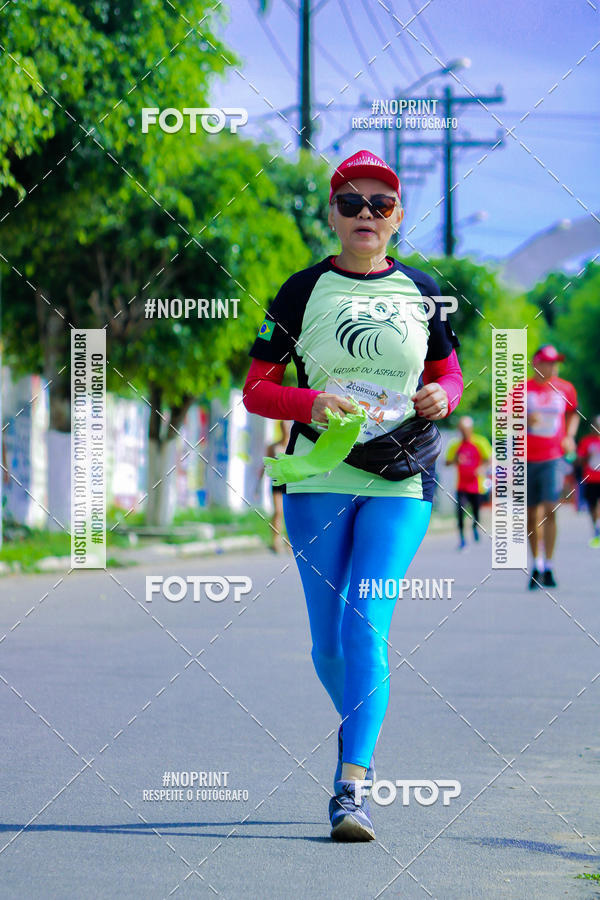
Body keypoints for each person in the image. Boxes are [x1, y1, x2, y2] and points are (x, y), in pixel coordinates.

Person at [242, 150, 463, 841]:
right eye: (351, 203)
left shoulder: (424, 292)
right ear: (332, 215)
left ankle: (352, 785)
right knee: (328, 645)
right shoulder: (302, 291)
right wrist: (310, 400)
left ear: (398, 217)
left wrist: (441, 396)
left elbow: (450, 375)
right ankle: (362, 728)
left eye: (381, 204)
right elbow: (256, 390)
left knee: (366, 620)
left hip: (403, 477)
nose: (366, 214)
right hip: (318, 477)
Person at [526, 344, 579, 589]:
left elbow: (573, 413)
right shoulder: (521, 390)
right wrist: (524, 419)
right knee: (531, 514)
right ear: (537, 362)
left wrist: (569, 435)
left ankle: (549, 564)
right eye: (548, 361)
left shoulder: (565, 388)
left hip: (553, 457)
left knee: (550, 507)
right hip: (526, 457)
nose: (553, 366)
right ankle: (535, 562)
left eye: (556, 362)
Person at [445, 416, 492, 549]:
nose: (463, 432)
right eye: (461, 430)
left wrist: (481, 468)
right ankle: (462, 539)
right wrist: (456, 460)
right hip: (461, 485)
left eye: (465, 429)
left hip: (476, 485)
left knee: (476, 512)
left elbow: (489, 459)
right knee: (460, 511)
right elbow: (447, 462)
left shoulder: (480, 442)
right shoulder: (455, 445)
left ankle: (475, 527)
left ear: (470, 429)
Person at [262, 420, 291, 553]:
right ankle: (275, 540)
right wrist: (258, 484)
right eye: (283, 427)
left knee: (290, 513)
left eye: (287, 427)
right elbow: (265, 465)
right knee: (278, 511)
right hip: (277, 482)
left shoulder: (294, 445)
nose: (285, 429)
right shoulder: (273, 446)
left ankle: (290, 542)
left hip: (291, 483)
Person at [576, 414, 600, 548]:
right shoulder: (587, 441)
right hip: (590, 478)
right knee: (592, 505)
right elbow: (579, 460)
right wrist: (587, 457)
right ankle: (596, 527)